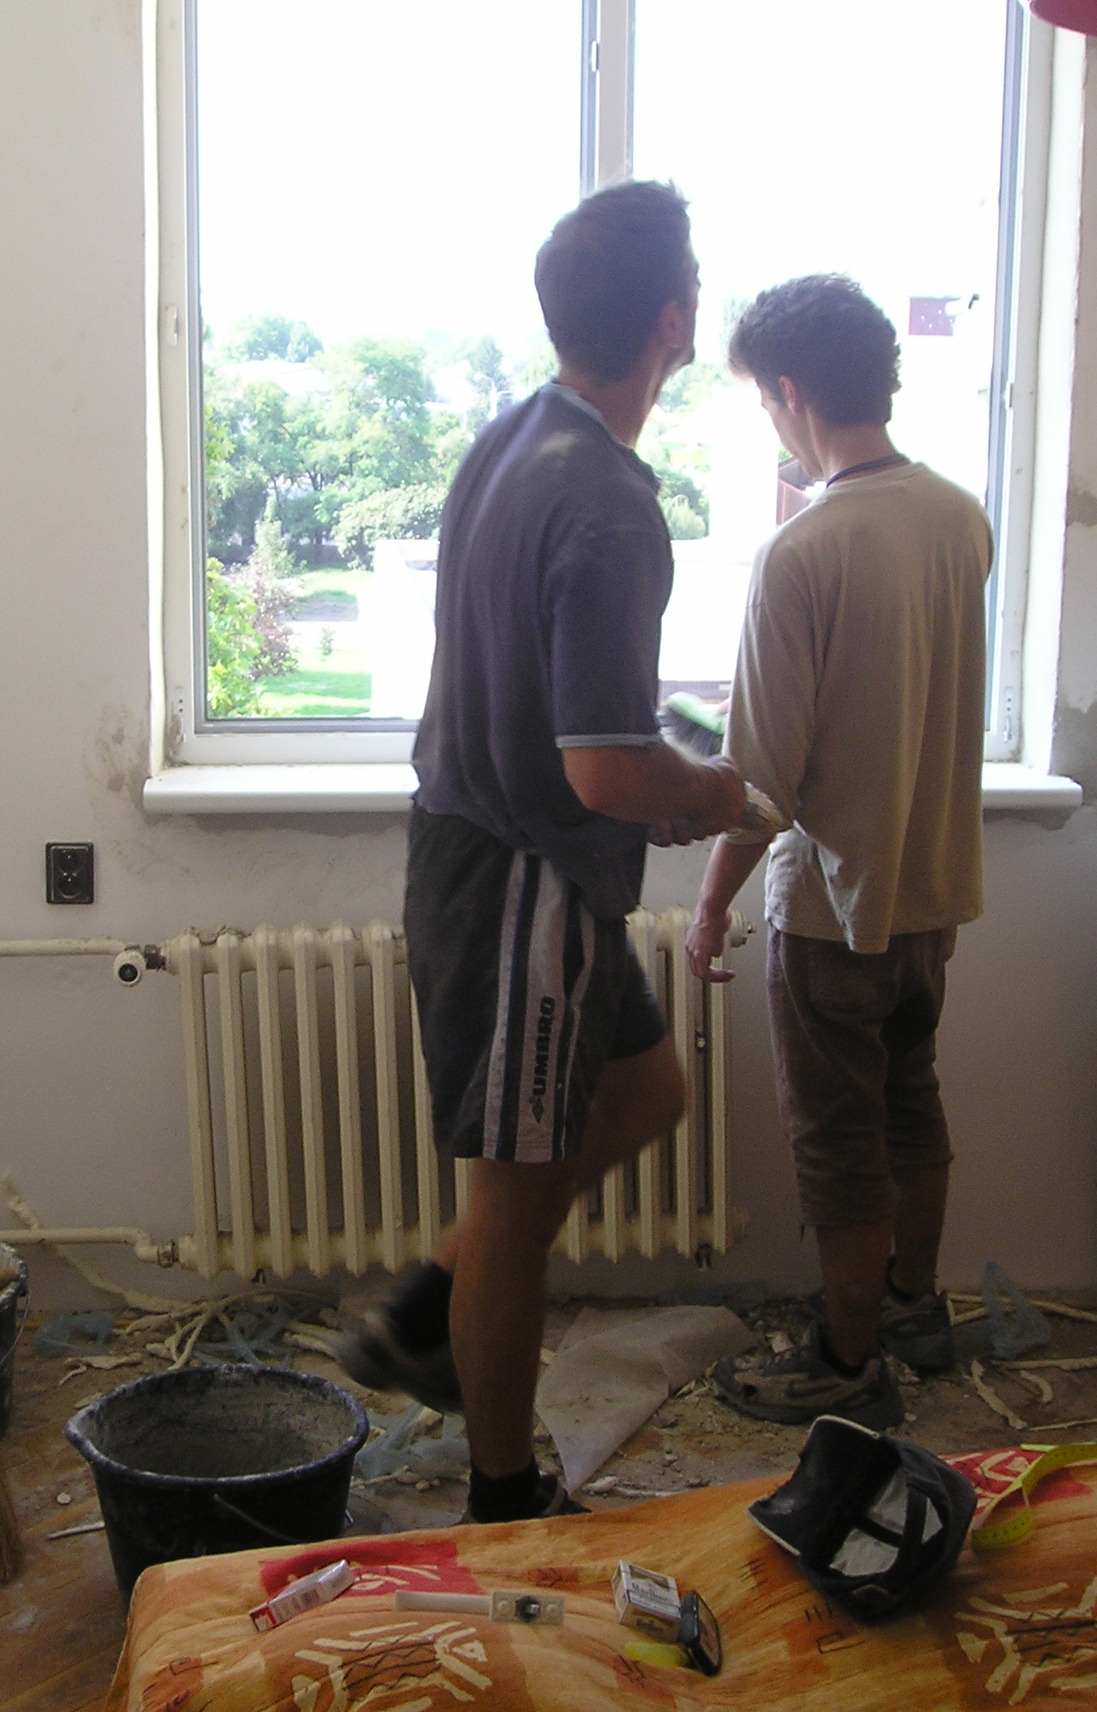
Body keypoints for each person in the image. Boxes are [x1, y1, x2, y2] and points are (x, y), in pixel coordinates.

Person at [337, 181, 745, 1524]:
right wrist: (715, 792)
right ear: (672, 321)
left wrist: (651, 760)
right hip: (522, 881)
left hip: (498, 850)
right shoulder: (612, 501)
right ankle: (505, 1495)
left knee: (647, 1094)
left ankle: (431, 1303)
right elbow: (605, 772)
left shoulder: (515, 436)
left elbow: (557, 698)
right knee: (513, 1205)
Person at [689, 274, 990, 1430]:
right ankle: (912, 1307)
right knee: (910, 1100)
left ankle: (846, 1358)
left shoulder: (802, 550)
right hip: (930, 890)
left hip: (833, 904)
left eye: (763, 401)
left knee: (836, 1140)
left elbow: (760, 778)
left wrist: (710, 904)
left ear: (789, 391)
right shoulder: (957, 517)